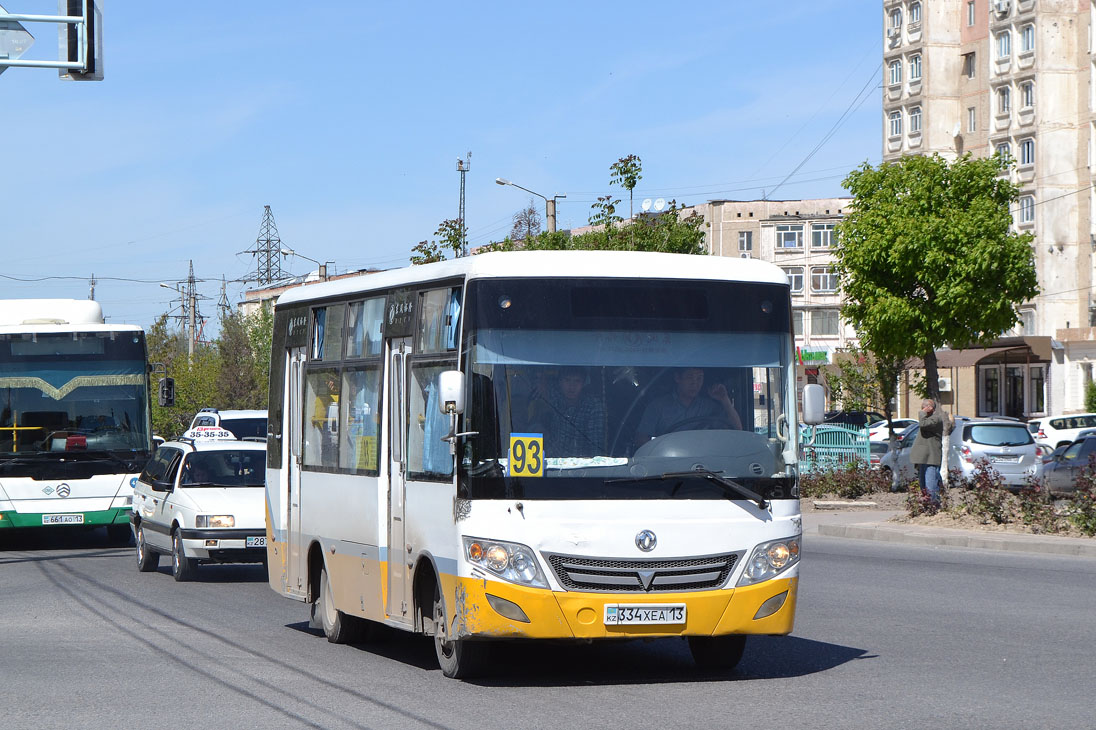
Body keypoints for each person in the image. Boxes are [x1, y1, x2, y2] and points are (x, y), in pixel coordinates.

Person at [635, 367, 743, 447]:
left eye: (699, 378)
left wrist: (725, 400)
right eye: (690, 377)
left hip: (705, 466)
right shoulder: (657, 406)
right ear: (678, 378)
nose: (695, 383)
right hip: (668, 465)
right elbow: (642, 440)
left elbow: (737, 431)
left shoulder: (709, 407)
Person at [529, 367, 606, 457]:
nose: (572, 386)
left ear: (584, 383)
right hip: (550, 460)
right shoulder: (554, 395)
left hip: (580, 465)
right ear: (560, 382)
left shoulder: (593, 407)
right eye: (567, 380)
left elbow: (595, 448)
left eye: (577, 381)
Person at [910, 398, 951, 505]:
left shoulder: (936, 419)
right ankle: (927, 505)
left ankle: (934, 505)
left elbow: (923, 424)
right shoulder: (928, 418)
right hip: (924, 458)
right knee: (923, 485)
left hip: (931, 457)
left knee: (931, 484)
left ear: (930, 408)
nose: (922, 408)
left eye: (924, 406)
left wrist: (922, 413)